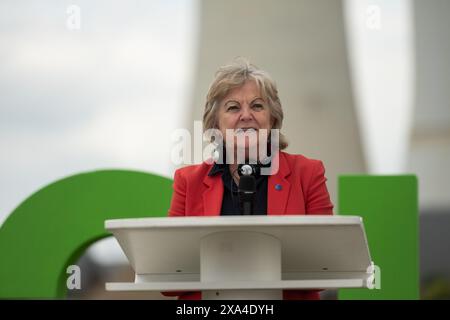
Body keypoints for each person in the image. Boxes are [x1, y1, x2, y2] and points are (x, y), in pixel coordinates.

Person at [166, 58, 334, 300]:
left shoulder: (308, 173)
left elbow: (325, 267)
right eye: (233, 107)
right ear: (215, 123)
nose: (246, 116)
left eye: (257, 106)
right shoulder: (187, 181)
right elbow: (170, 280)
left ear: (272, 118)